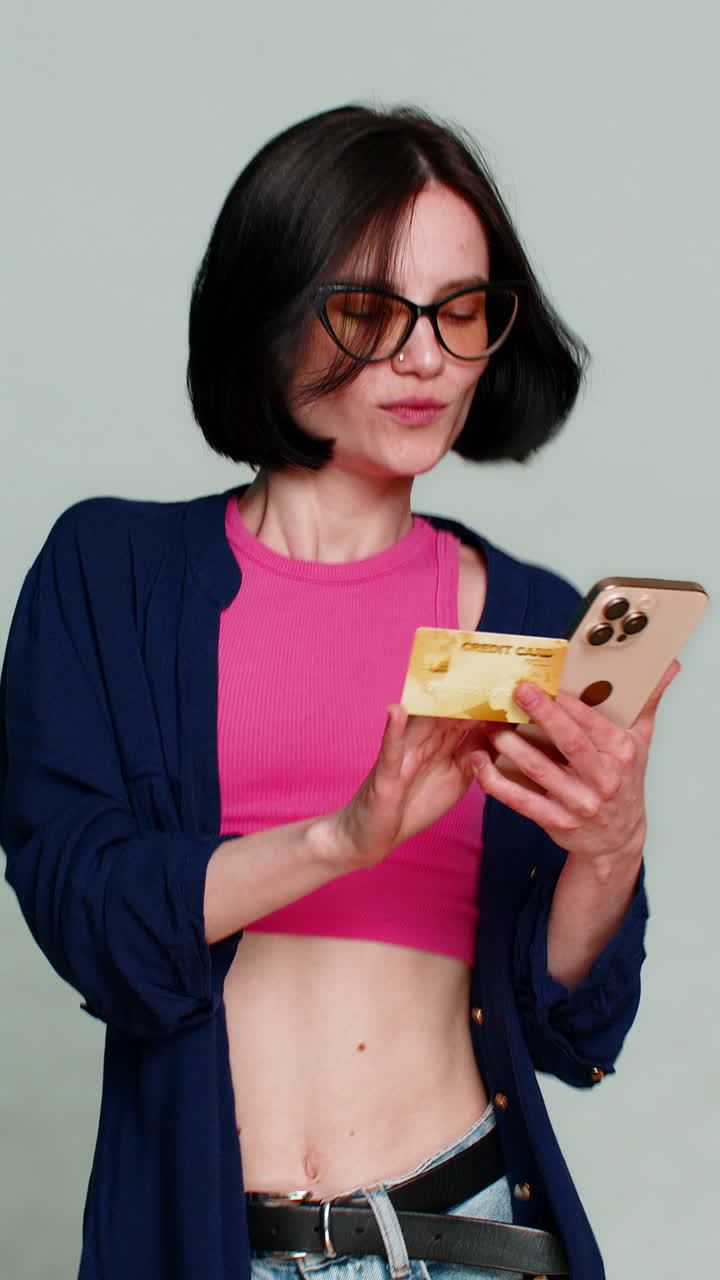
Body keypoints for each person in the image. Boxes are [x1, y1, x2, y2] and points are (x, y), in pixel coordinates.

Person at [0, 105, 675, 1280]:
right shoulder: (107, 574)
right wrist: (341, 837)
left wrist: (611, 850)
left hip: (476, 1238)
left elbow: (569, 1025)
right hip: (214, 1244)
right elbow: (87, 905)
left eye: (461, 310)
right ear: (269, 312)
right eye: (369, 310)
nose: (425, 357)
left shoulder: (531, 613)